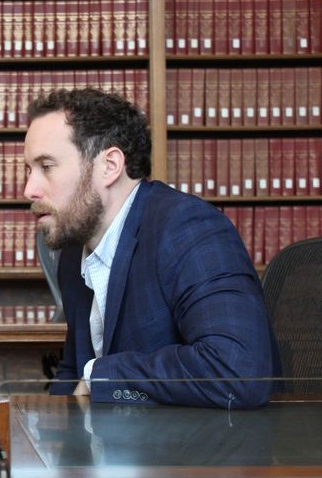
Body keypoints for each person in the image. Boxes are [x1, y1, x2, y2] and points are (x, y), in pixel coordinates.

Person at [23, 88, 279, 409]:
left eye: (46, 166)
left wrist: (102, 378)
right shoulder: (73, 251)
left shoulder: (188, 228)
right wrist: (50, 441)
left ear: (110, 166)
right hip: (119, 448)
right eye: (28, 170)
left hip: (198, 453)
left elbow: (239, 372)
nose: (29, 189)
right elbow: (74, 370)